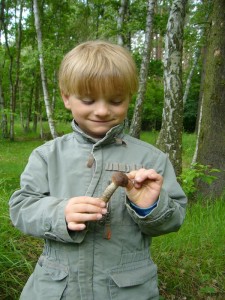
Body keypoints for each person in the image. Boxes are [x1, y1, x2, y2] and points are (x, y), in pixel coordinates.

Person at [9, 40, 187, 300]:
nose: (102, 111)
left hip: (128, 291)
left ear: (129, 98)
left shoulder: (151, 159)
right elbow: (21, 208)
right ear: (66, 97)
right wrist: (60, 213)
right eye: (89, 100)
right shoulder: (48, 156)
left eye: (116, 101)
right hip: (56, 289)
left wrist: (149, 207)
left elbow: (174, 219)